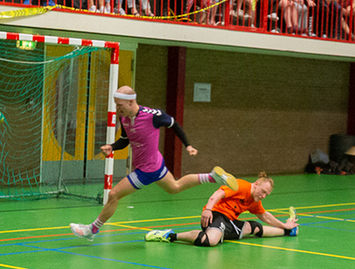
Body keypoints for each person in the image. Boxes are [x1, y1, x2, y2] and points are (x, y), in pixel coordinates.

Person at [70, 86, 237, 239]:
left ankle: (92, 230)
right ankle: (212, 177)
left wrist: (188, 145)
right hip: (155, 164)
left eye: (120, 105)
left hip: (147, 169)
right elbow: (125, 140)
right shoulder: (124, 118)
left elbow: (174, 125)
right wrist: (112, 147)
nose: (118, 108)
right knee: (175, 187)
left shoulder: (153, 116)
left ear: (131, 102)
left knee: (113, 195)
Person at [145, 173, 297, 246]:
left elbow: (265, 216)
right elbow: (218, 194)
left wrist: (285, 225)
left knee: (255, 227)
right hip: (216, 215)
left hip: (228, 222)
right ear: (256, 183)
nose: (263, 196)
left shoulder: (254, 200)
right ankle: (169, 235)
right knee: (209, 241)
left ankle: (288, 232)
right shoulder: (240, 186)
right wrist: (208, 210)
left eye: (266, 195)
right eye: (263, 192)